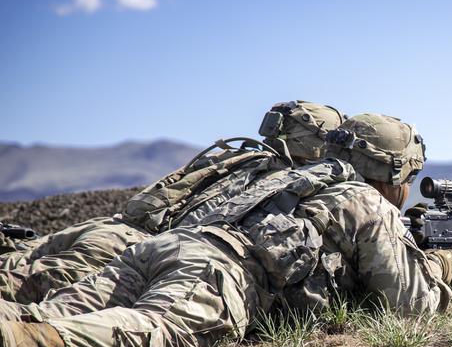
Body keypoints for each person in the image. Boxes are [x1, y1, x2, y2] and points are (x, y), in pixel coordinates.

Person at [0, 114, 452, 347]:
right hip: (219, 273)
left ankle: (18, 328)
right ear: (394, 171)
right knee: (163, 331)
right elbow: (410, 305)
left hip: (165, 248)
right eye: (409, 177)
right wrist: (442, 265)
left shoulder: (285, 175)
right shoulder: (367, 201)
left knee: (43, 310)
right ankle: (41, 343)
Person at [0, 101, 345, 305]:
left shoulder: (234, 160)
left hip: (107, 226)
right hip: (132, 245)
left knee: (16, 270)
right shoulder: (279, 183)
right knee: (30, 287)